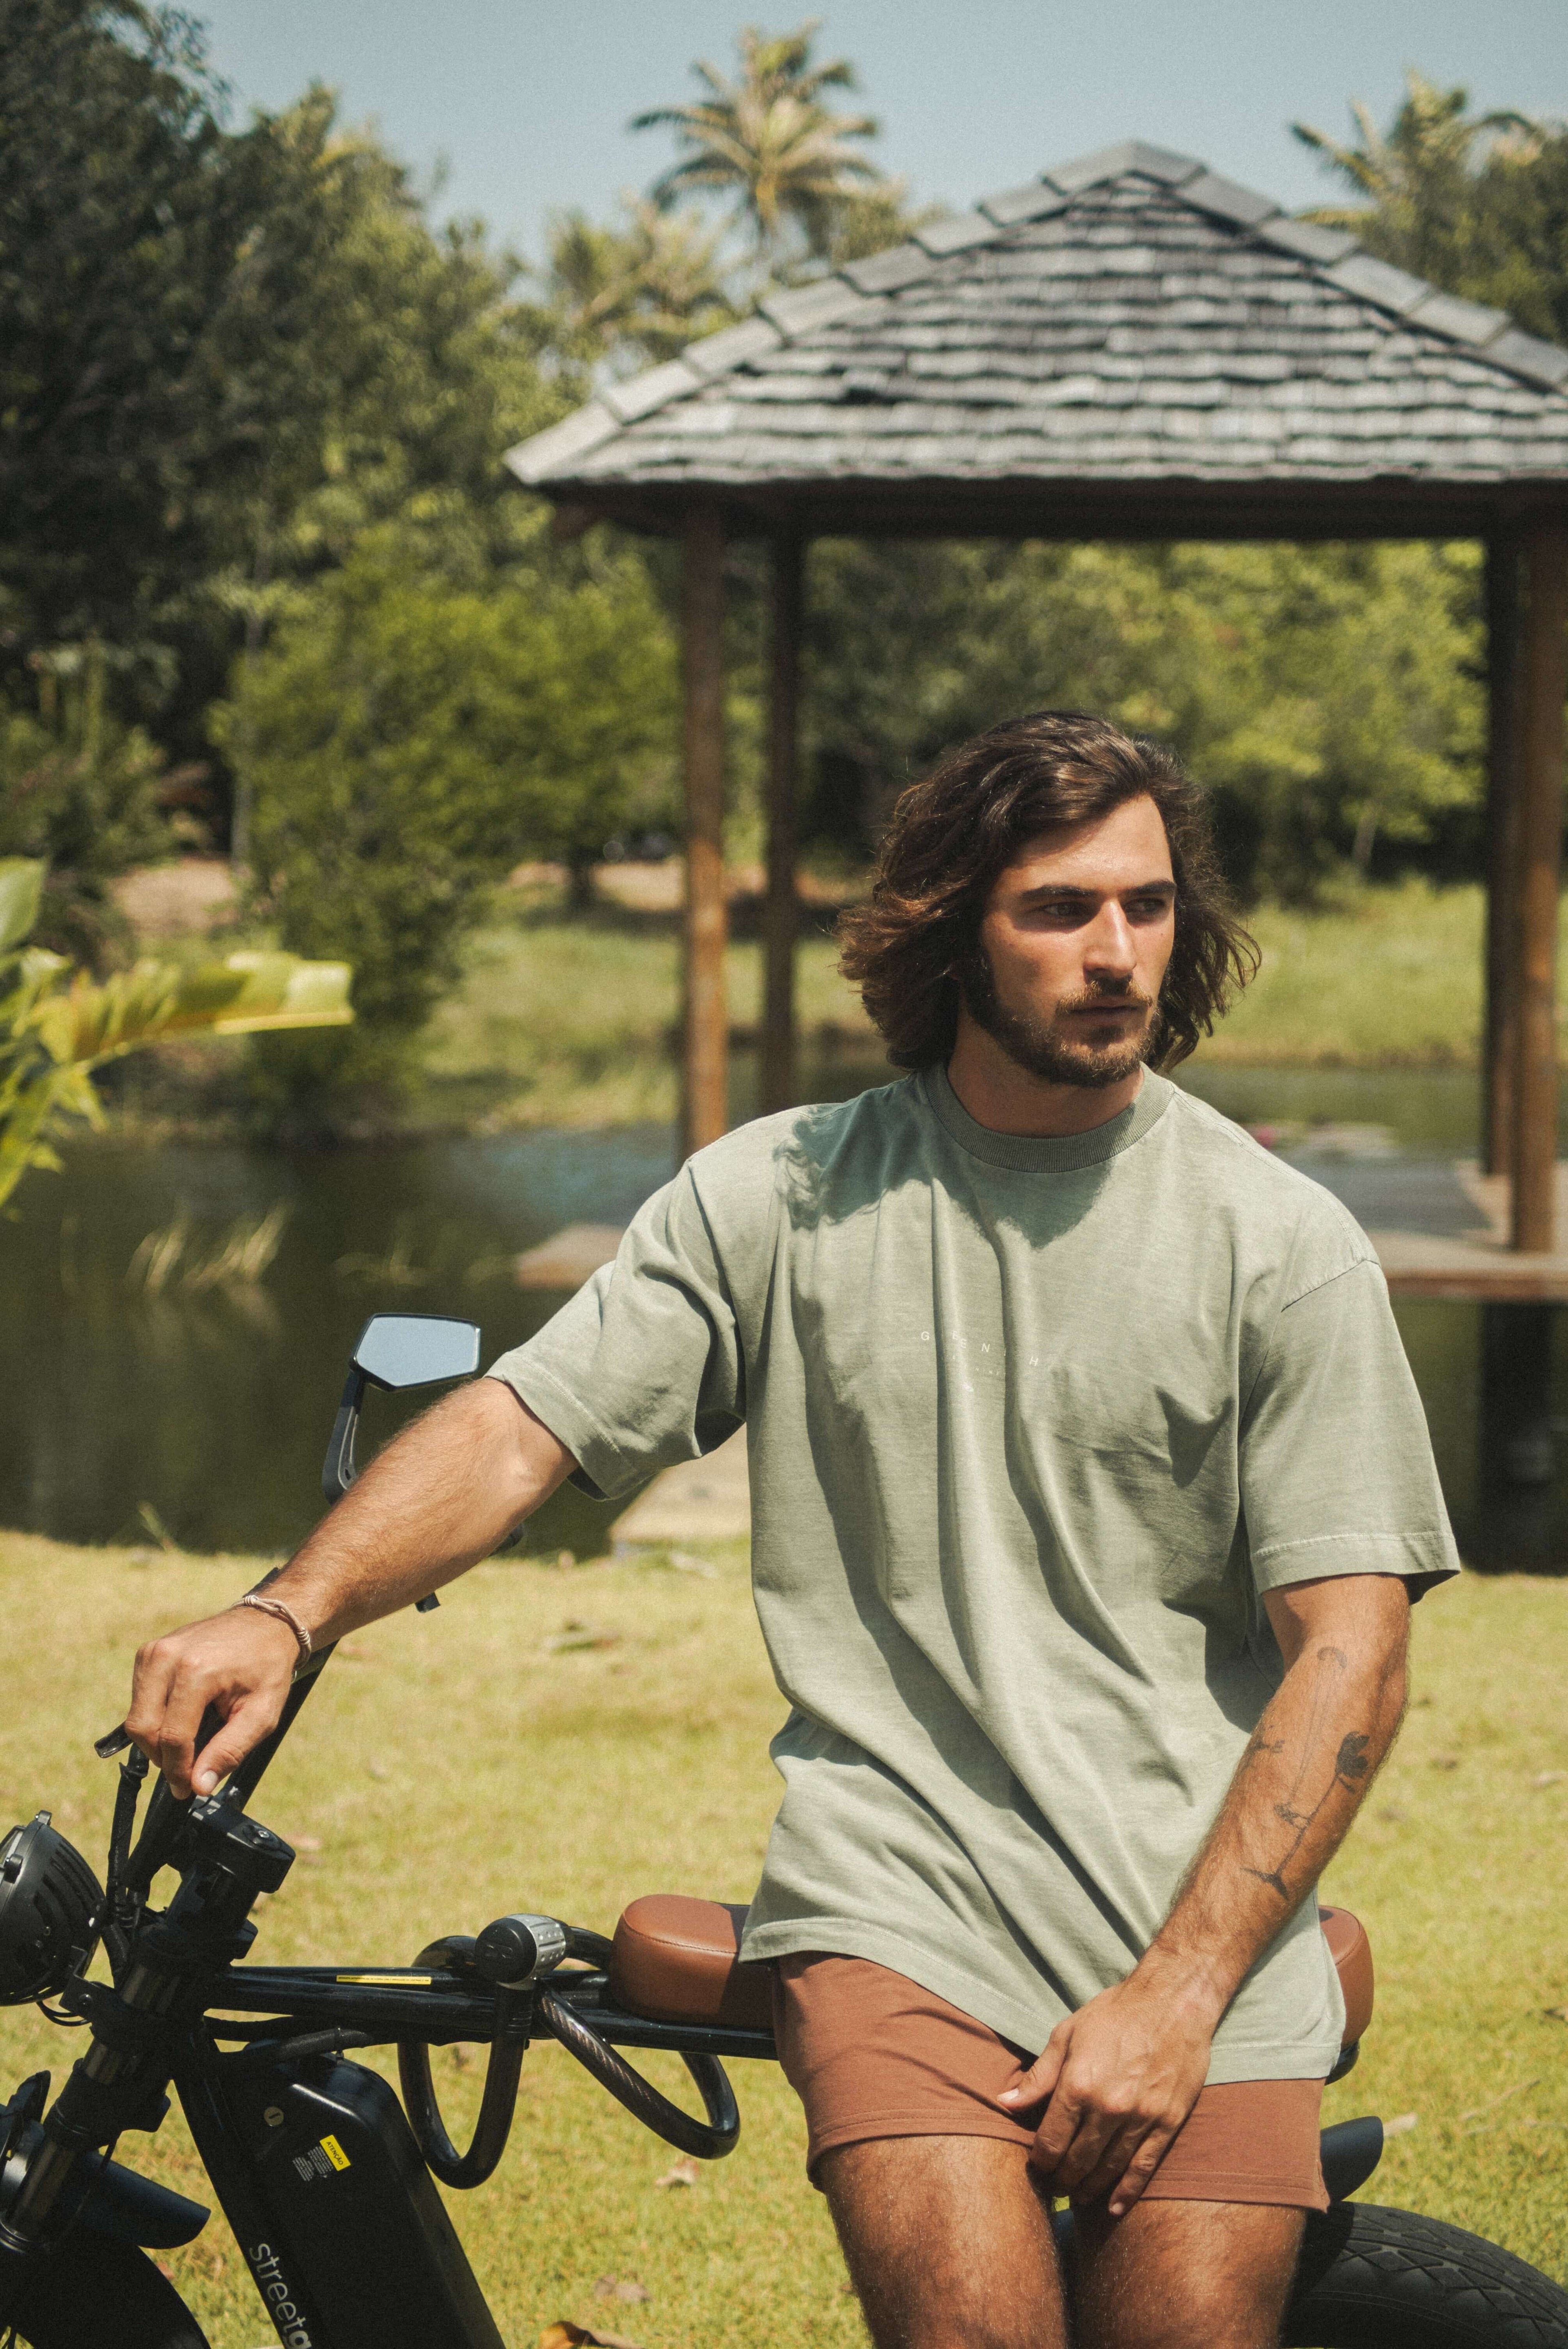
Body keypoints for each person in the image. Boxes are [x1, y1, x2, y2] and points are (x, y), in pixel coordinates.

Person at [125, 712, 1457, 2349]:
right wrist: (289, 1607)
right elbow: (524, 1427)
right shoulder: (784, 1195)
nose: (1116, 953)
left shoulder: (1280, 1246)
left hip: (1202, 1921)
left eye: (1148, 904)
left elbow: (1354, 1656)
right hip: (902, 1903)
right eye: (1059, 908)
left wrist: (1181, 1994)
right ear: (954, 931)